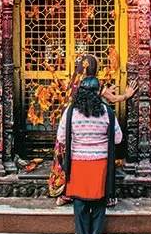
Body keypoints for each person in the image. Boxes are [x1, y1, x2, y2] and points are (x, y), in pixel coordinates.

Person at [49, 53, 136, 206]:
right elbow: (113, 99)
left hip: (70, 127)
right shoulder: (96, 84)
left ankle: (65, 193)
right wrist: (127, 95)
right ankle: (97, 194)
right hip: (90, 131)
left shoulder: (75, 82)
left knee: (68, 161)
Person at [56, 55, 123, 234]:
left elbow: (61, 138)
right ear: (98, 91)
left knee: (80, 201)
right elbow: (118, 138)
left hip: (77, 162)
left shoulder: (70, 112)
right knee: (99, 200)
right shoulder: (107, 112)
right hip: (101, 162)